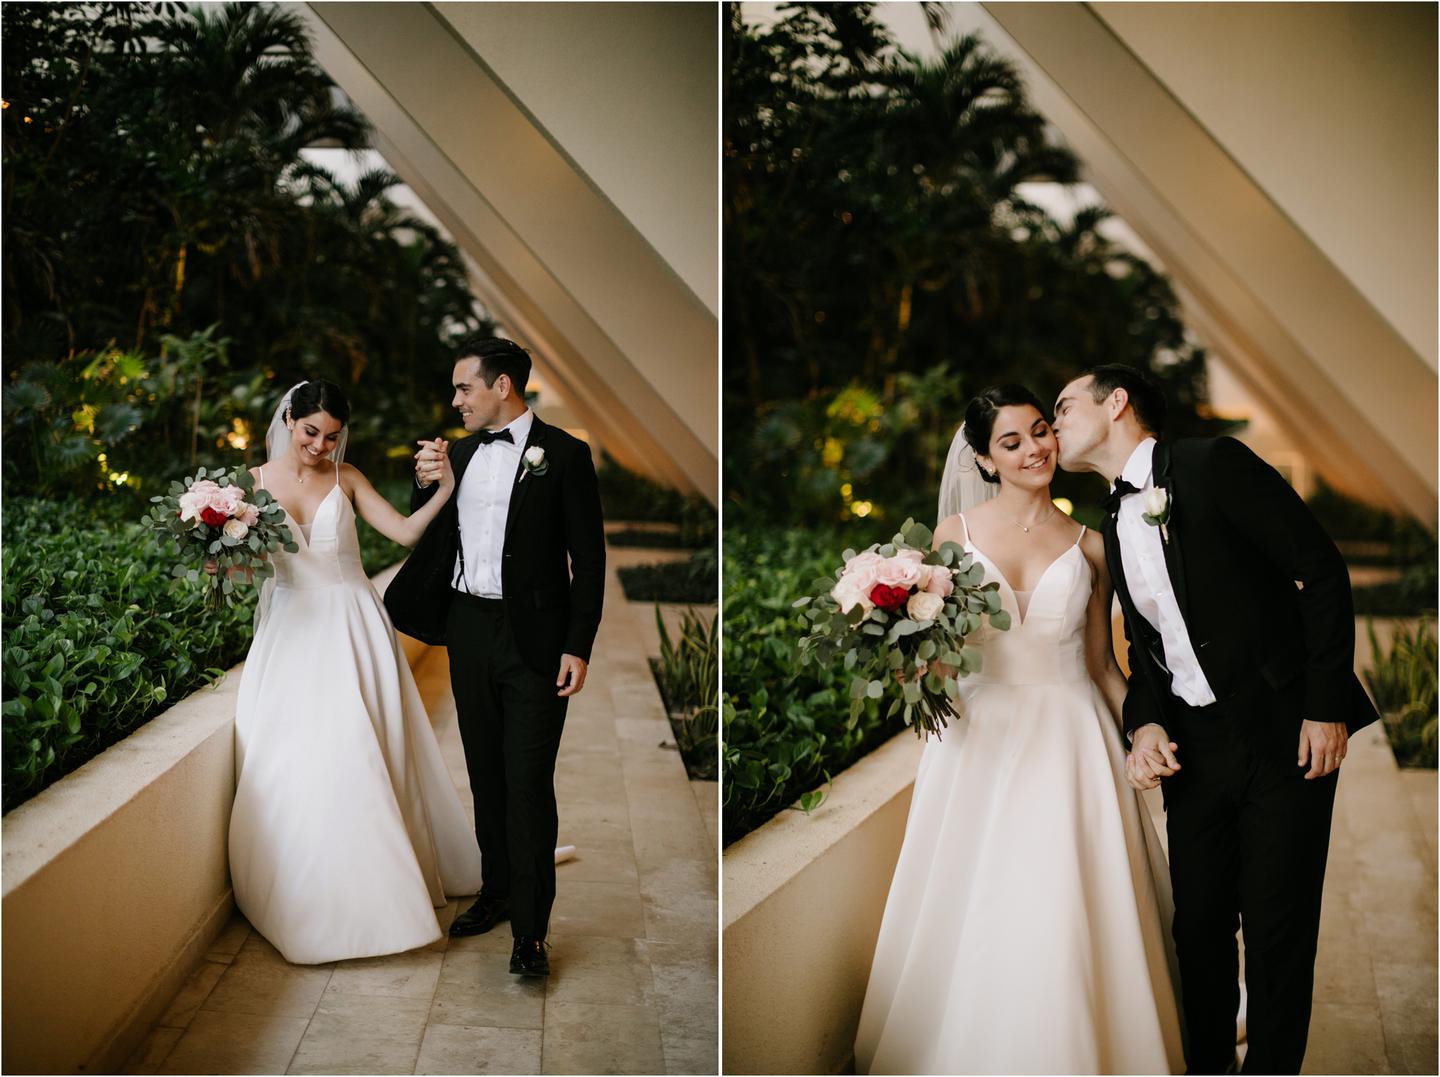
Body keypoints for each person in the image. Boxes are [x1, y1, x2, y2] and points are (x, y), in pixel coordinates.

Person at [1052, 364, 1378, 1074]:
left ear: (1117, 403)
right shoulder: (1110, 515)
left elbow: (1320, 569)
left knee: (1276, 933)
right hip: (1194, 750)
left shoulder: (1209, 464)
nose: (1056, 421)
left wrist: (1324, 708)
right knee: (1197, 929)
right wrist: (1145, 724)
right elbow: (1147, 646)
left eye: (1065, 404)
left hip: (1281, 733)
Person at [855, 385, 1185, 1075]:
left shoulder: (1093, 544)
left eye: (1041, 431)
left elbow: (1102, 666)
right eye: (1012, 441)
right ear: (983, 458)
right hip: (980, 742)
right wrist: (908, 660)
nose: (1035, 448)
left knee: (1064, 904)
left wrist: (1145, 726)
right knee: (981, 905)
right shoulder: (953, 537)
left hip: (1072, 740)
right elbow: (936, 656)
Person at [227, 379, 485, 966]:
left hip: (353, 625)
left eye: (333, 436)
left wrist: (443, 488)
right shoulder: (247, 485)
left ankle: (381, 899)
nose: (321, 446)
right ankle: (302, 895)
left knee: (358, 753)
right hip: (290, 632)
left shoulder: (348, 479)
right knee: (292, 761)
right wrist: (217, 557)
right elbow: (245, 575)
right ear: (289, 419)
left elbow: (404, 533)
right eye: (311, 432)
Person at [385, 336, 606, 978]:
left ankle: (531, 934)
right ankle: (498, 893)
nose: (455, 400)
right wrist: (425, 477)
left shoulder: (565, 455)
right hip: (469, 625)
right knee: (483, 770)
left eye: (464, 388)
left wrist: (578, 645)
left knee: (527, 782)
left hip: (536, 638)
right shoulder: (456, 451)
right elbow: (428, 526)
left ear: (501, 386)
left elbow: (587, 560)